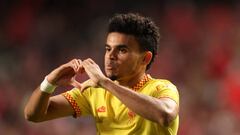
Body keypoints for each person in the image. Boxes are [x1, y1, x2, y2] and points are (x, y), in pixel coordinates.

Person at [24, 13, 179, 135]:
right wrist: (50, 82)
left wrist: (105, 83)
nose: (111, 56)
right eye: (108, 49)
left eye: (122, 50)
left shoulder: (162, 88)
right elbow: (33, 115)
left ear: (145, 58)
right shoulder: (94, 92)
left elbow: (165, 115)